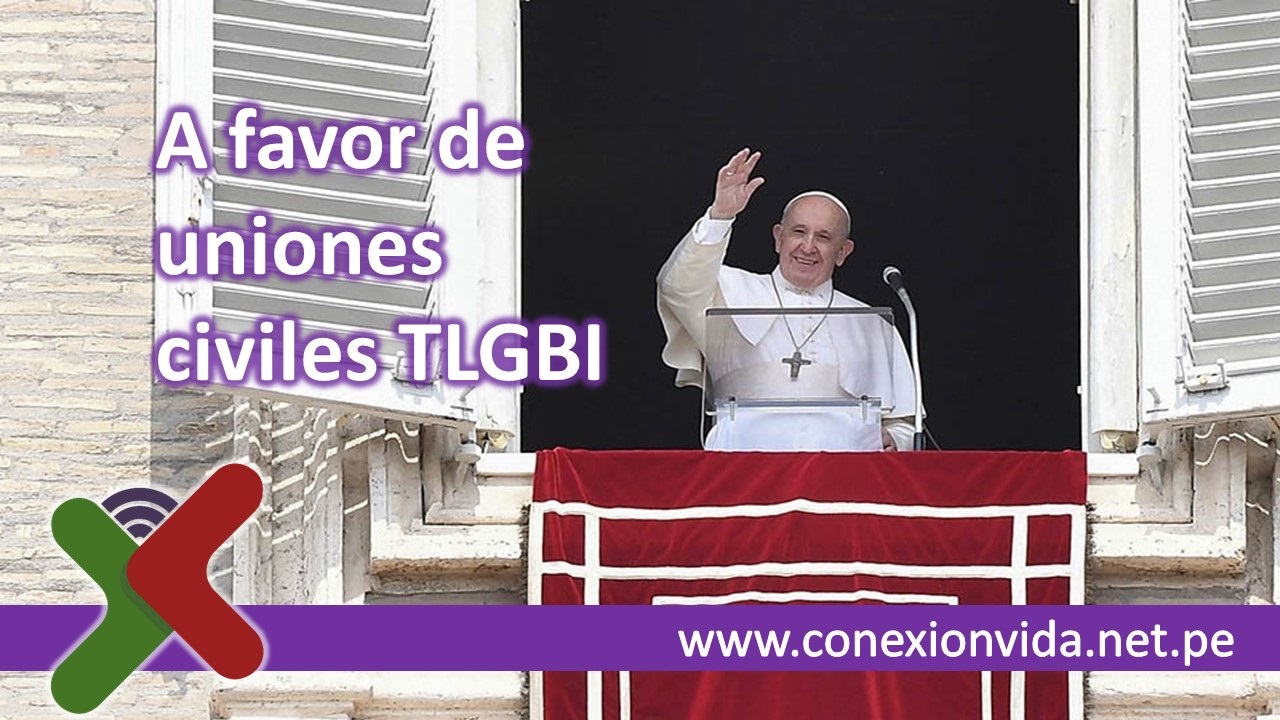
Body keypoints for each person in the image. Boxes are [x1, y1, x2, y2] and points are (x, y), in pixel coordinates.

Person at [656, 148, 919, 451]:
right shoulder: (728, 291)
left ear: (843, 252)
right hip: (744, 467)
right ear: (778, 238)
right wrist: (720, 216)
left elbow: (903, 423)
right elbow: (676, 287)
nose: (808, 246)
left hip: (842, 474)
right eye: (798, 232)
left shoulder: (872, 323)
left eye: (823, 237)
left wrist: (896, 440)